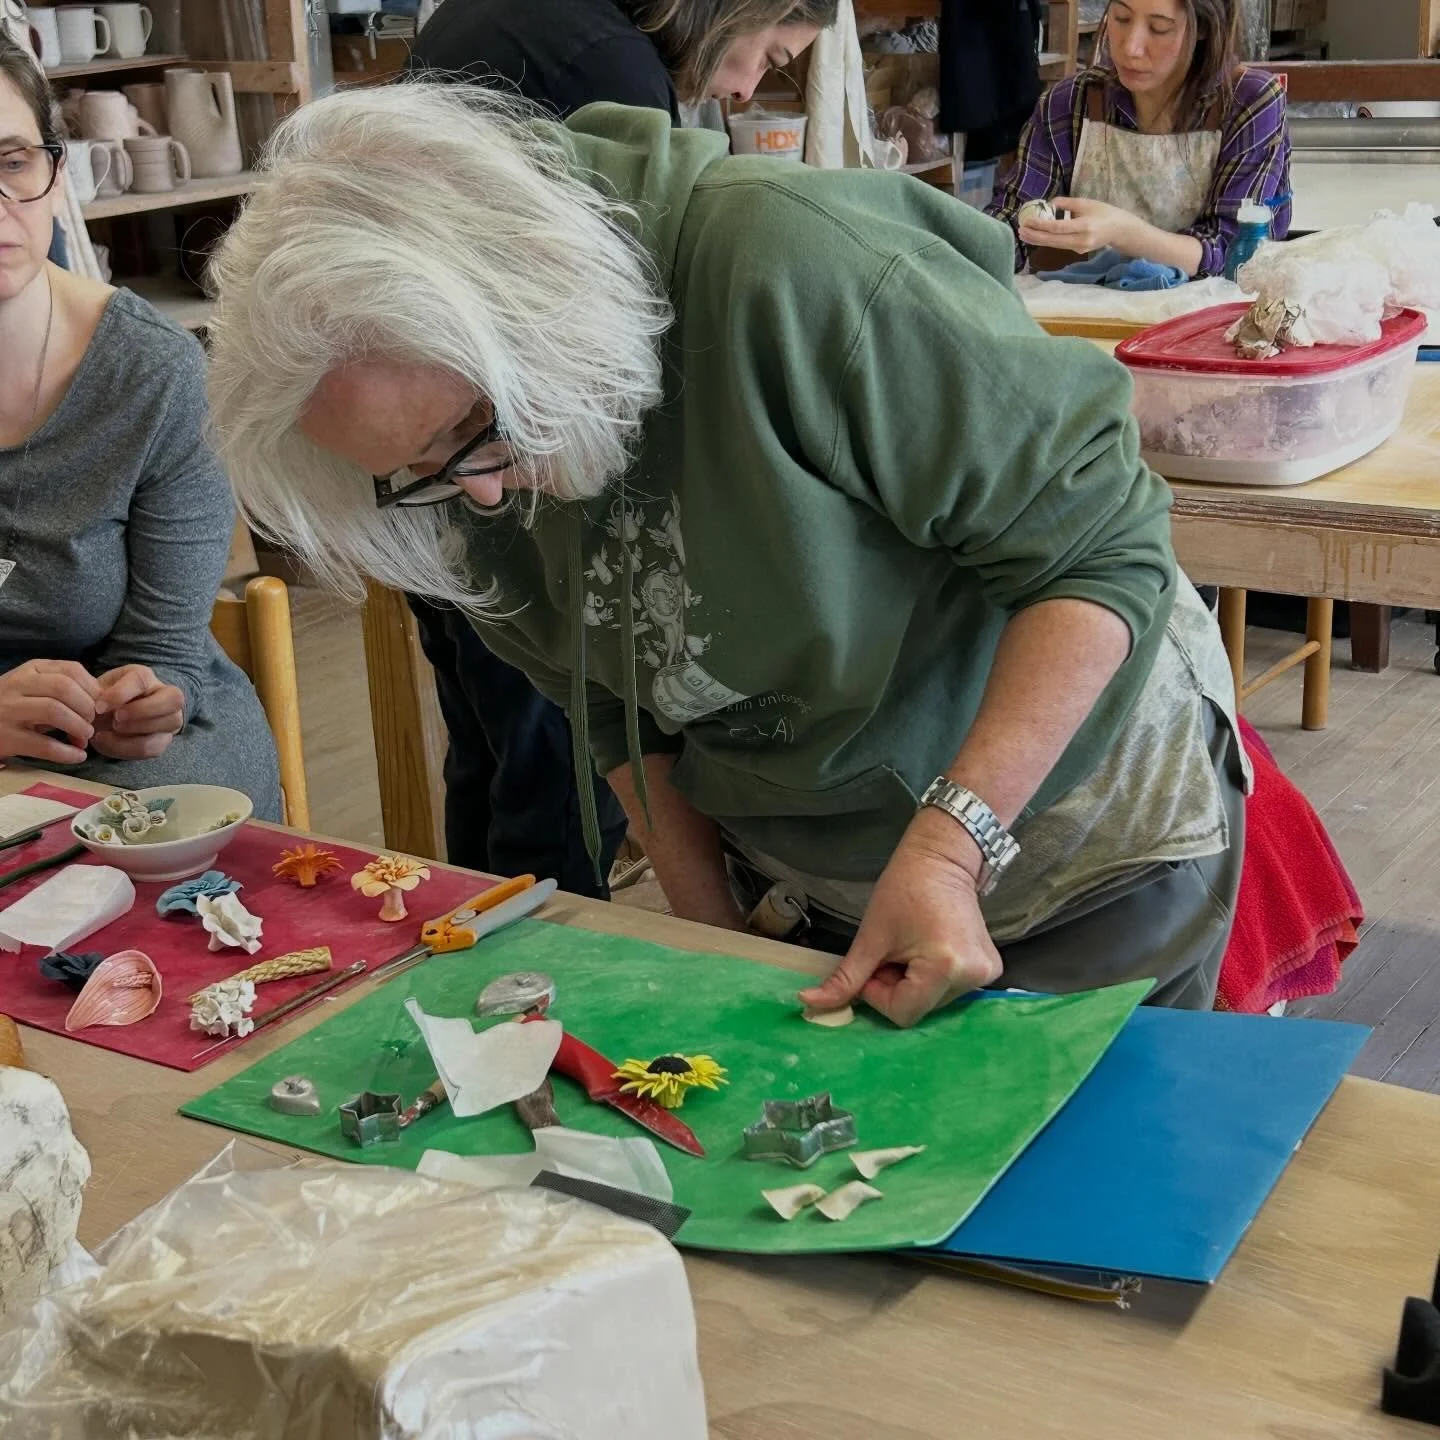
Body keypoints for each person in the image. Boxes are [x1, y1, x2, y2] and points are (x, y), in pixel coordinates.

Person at [206, 83, 1248, 1027]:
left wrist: (944, 849)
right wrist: (712, 935)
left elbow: (1099, 553)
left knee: (1065, 1214)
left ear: (530, 303)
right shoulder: (443, 454)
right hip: (812, 875)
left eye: (476, 432)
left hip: (1072, 836)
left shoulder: (791, 263)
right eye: (419, 470)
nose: (476, 492)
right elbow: (612, 699)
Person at [401, 0, 834, 894]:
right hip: (512, 453)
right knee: (558, 769)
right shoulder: (609, 66)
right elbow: (630, 321)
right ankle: (554, 1002)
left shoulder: (506, 15)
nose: (746, 85)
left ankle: (490, 987)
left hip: (434, 447)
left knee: (492, 752)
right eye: (769, 52)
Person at [0, 38, 281, 816]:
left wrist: (151, 698)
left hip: (132, 772)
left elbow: (165, 652)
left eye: (14, 162)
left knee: (143, 850)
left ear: (57, 175)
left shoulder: (152, 376)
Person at [986, 0, 1291, 279]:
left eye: (1159, 29)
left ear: (1205, 29)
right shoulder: (1070, 104)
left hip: (1208, 323)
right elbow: (1012, 219)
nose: (1131, 47)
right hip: (1093, 315)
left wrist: (1123, 232)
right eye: (1121, 18)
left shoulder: (1248, 101)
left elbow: (1237, 253)